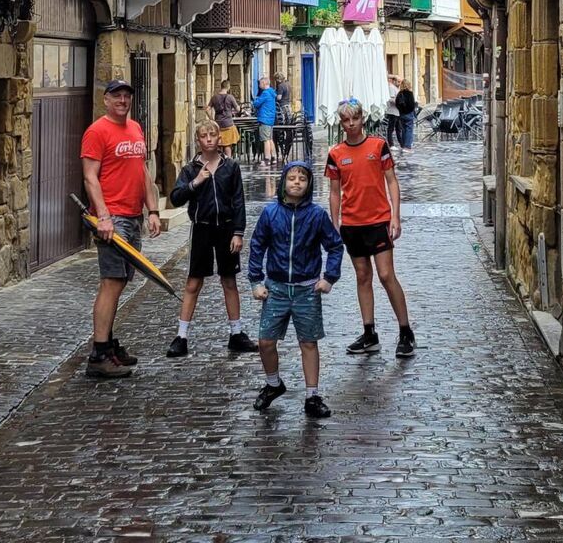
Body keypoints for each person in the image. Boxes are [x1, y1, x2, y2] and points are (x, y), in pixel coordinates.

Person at [248, 159, 343, 419]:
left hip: (306, 289)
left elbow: (334, 245)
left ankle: (312, 395)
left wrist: (329, 277)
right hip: (276, 288)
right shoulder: (270, 213)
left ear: (309, 184)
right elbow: (257, 245)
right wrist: (256, 281)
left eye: (302, 178)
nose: (297, 182)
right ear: (283, 183)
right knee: (266, 341)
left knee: (308, 342)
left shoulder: (317, 215)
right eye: (292, 178)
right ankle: (273, 383)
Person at [80, 79, 161, 379]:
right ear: (106, 100)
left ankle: (108, 344)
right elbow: (90, 177)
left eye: (127, 96)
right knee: (111, 282)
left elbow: (142, 171)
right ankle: (99, 354)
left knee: (122, 280)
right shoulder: (97, 131)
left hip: (132, 216)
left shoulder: (136, 128)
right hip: (112, 217)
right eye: (117, 96)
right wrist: (103, 216)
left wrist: (152, 210)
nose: (123, 100)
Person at [325, 98, 415, 359]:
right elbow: (334, 193)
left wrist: (395, 217)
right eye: (346, 120)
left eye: (355, 118)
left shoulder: (378, 146)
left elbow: (392, 182)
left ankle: (405, 331)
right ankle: (369, 333)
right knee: (363, 276)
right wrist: (335, 222)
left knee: (386, 275)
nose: (351, 124)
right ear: (341, 122)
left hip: (377, 220)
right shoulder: (336, 154)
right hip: (352, 224)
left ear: (362, 118)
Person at [165, 120, 258, 358]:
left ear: (219, 139)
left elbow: (238, 201)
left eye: (212, 135)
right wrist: (196, 182)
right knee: (193, 282)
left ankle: (236, 333)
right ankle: (182, 335)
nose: (208, 139)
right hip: (202, 229)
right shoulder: (190, 169)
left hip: (226, 229)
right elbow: (175, 198)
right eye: (204, 136)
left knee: (229, 280)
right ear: (198, 141)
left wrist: (238, 232)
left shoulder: (231, 167)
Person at [207, 80, 241, 156]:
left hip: (218, 124)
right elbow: (238, 109)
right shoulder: (230, 97)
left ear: (221, 86)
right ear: (228, 87)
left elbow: (207, 109)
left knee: (218, 145)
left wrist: (211, 119)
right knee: (227, 145)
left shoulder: (214, 97)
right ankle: (228, 162)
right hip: (228, 124)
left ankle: (218, 162)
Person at [253, 75, 278, 166]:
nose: (259, 85)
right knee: (270, 138)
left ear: (264, 83)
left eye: (260, 83)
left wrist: (255, 101)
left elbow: (256, 103)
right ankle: (274, 157)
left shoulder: (265, 93)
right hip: (270, 118)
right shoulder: (272, 92)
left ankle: (267, 158)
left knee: (265, 139)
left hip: (264, 118)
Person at [395, 79, 417, 151]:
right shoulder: (409, 93)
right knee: (409, 130)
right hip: (409, 114)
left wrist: (401, 110)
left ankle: (404, 145)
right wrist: (410, 110)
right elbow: (412, 104)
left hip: (401, 114)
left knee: (404, 130)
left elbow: (396, 104)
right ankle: (407, 146)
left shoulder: (399, 93)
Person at [385, 74, 401, 148]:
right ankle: (391, 144)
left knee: (398, 128)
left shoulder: (396, 88)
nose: (399, 83)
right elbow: (391, 99)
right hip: (393, 111)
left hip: (397, 111)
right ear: (394, 81)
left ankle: (401, 143)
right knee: (391, 128)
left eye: (400, 81)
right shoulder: (391, 88)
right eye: (398, 81)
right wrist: (400, 102)